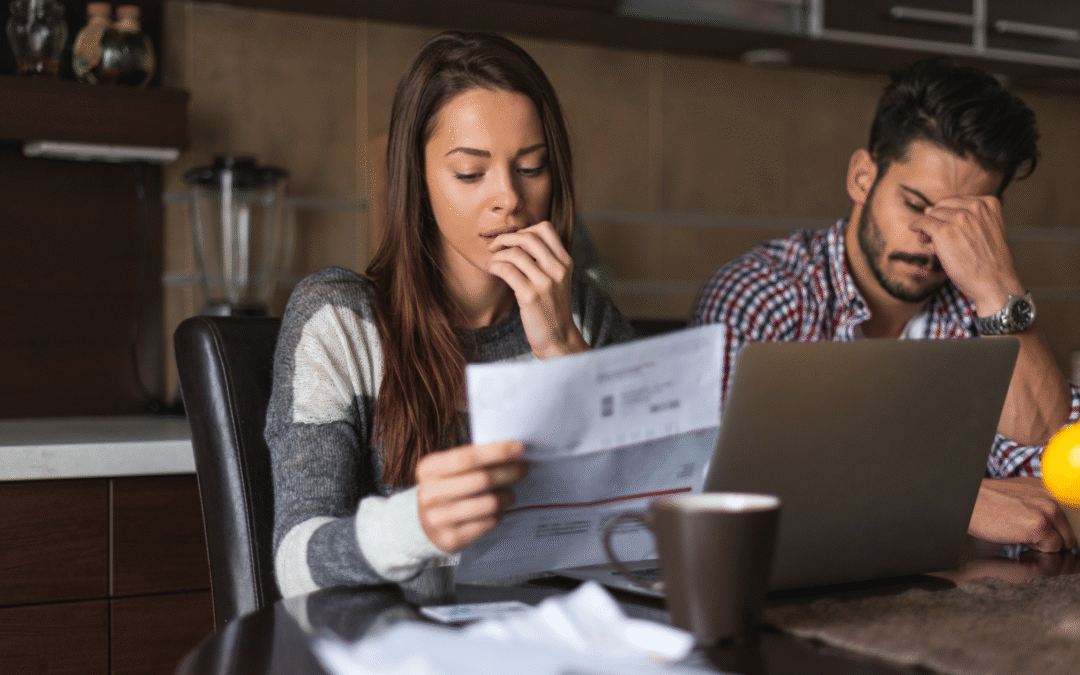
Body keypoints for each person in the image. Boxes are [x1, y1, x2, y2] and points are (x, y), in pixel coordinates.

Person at [266, 30, 633, 600]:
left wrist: (563, 349)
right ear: (419, 178)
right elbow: (296, 565)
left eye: (531, 168)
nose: (508, 198)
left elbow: (647, 528)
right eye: (470, 173)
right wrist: (416, 526)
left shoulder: (584, 315)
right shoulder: (340, 320)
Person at [691, 59, 1080, 553]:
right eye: (916, 205)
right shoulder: (764, 295)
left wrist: (998, 289)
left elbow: (1065, 481)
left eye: (960, 220)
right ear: (861, 177)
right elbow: (723, 499)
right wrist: (955, 500)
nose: (930, 239)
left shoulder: (978, 310)